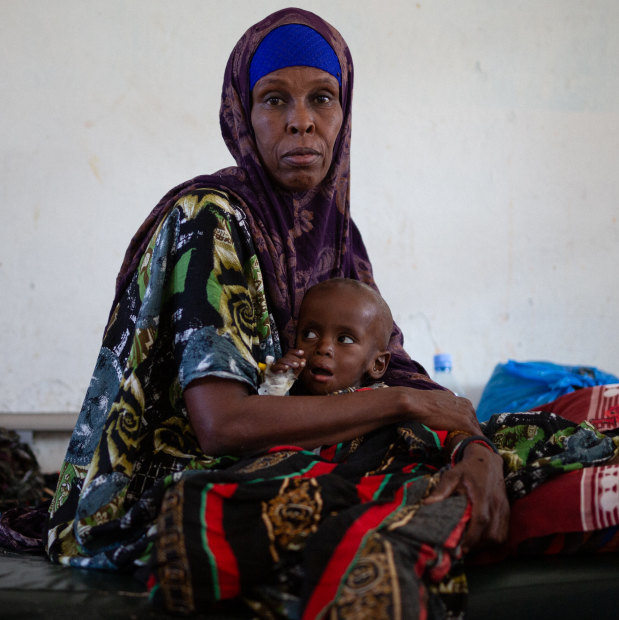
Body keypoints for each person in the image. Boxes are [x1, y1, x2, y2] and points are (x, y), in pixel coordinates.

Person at [46, 7, 511, 617]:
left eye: (322, 98)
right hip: (178, 476)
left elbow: (390, 366)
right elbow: (221, 425)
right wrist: (404, 405)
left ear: (345, 115)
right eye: (274, 100)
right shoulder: (209, 220)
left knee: (522, 448)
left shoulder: (339, 233)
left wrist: (477, 450)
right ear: (243, 113)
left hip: (286, 454)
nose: (301, 122)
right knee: (365, 505)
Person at [261, 278, 393, 396]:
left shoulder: (379, 403)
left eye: (344, 339)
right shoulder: (292, 393)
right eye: (310, 335)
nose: (323, 348)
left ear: (377, 364)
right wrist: (276, 387)